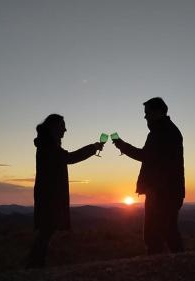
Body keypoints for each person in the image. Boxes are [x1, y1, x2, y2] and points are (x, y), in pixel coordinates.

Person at [27, 114, 103, 268]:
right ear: (54, 127)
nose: (65, 130)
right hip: (50, 197)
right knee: (46, 231)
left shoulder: (47, 144)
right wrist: (93, 147)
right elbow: (70, 158)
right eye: (62, 126)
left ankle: (36, 266)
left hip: (48, 195)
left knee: (46, 231)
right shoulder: (48, 146)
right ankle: (34, 267)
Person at [113, 97, 185, 255]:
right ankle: (182, 266)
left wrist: (122, 145)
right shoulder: (168, 130)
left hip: (161, 192)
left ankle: (157, 267)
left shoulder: (160, 132)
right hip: (169, 191)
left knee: (154, 235)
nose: (145, 117)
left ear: (158, 112)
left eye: (147, 113)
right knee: (169, 232)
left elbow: (146, 156)